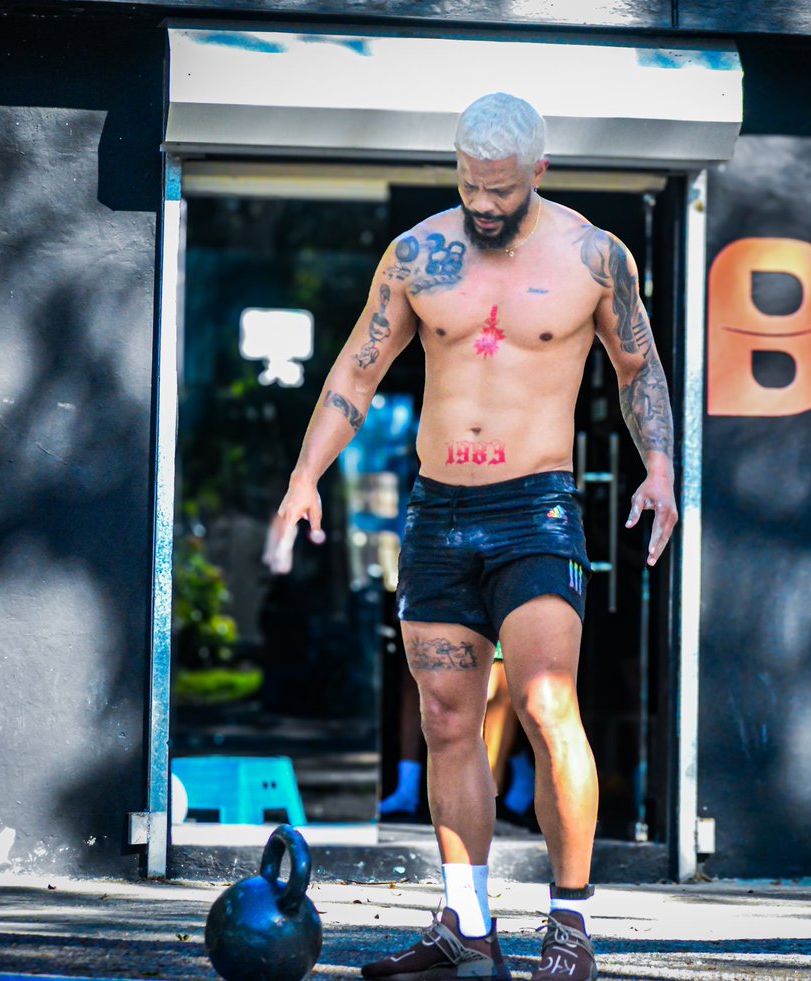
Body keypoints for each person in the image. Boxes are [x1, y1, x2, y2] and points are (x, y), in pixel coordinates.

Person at [269, 91, 677, 981]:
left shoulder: (594, 257)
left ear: (540, 170)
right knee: (448, 718)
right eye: (469, 186)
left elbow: (638, 365)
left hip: (537, 509)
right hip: (438, 513)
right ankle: (467, 921)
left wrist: (661, 467)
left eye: (501, 191)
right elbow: (357, 368)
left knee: (543, 702)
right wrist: (305, 476)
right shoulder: (415, 255)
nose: (484, 207)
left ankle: (569, 923)